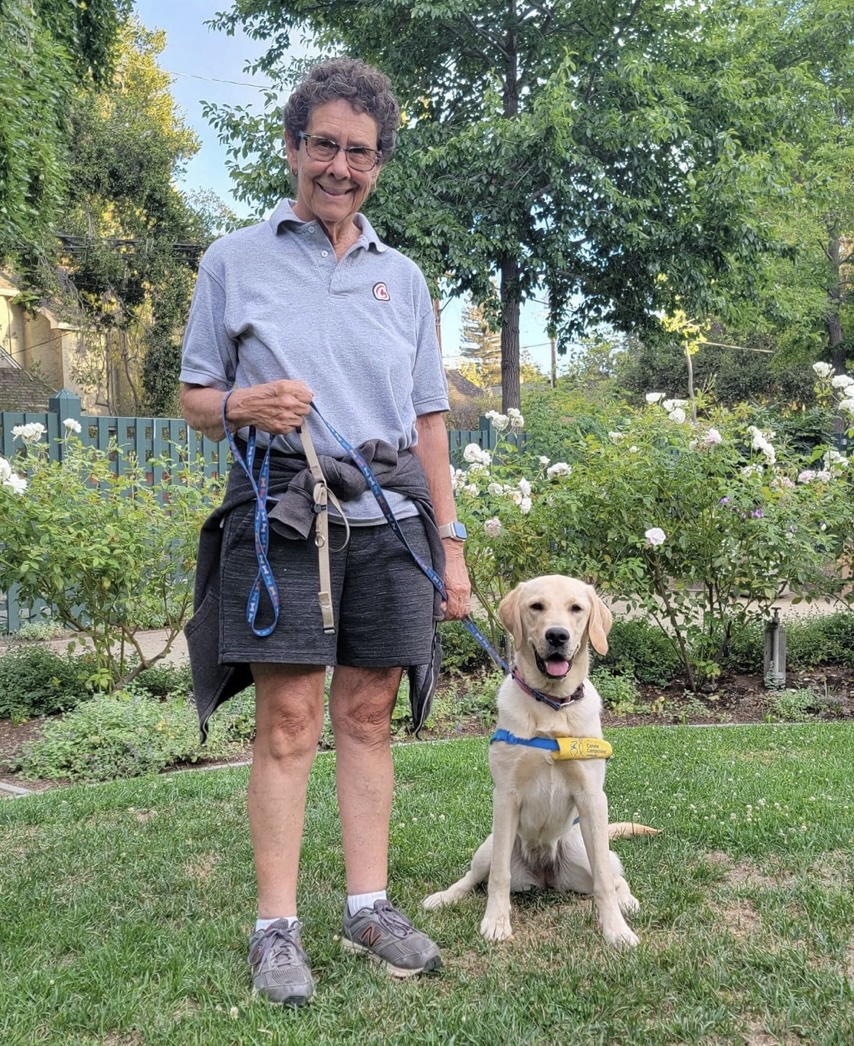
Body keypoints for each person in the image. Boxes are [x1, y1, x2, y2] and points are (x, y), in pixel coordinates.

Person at [178, 56, 471, 1006]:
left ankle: (368, 908)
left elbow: (429, 423)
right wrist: (241, 403)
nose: (341, 167)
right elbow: (193, 399)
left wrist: (451, 547)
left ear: (378, 163)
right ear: (293, 146)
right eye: (325, 146)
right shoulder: (233, 261)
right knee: (290, 719)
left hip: (390, 517)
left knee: (369, 714)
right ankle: (275, 928)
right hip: (284, 513)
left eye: (361, 152)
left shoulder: (404, 278)